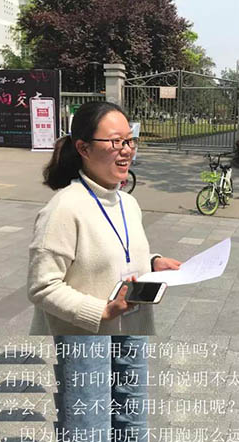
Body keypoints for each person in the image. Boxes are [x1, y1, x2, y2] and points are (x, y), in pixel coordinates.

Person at [27, 101, 181, 335]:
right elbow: (42, 286)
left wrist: (151, 263)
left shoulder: (128, 203)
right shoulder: (63, 209)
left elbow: (112, 254)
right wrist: (100, 311)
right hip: (85, 341)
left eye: (130, 140)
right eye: (116, 141)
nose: (127, 150)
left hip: (133, 332)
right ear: (84, 148)